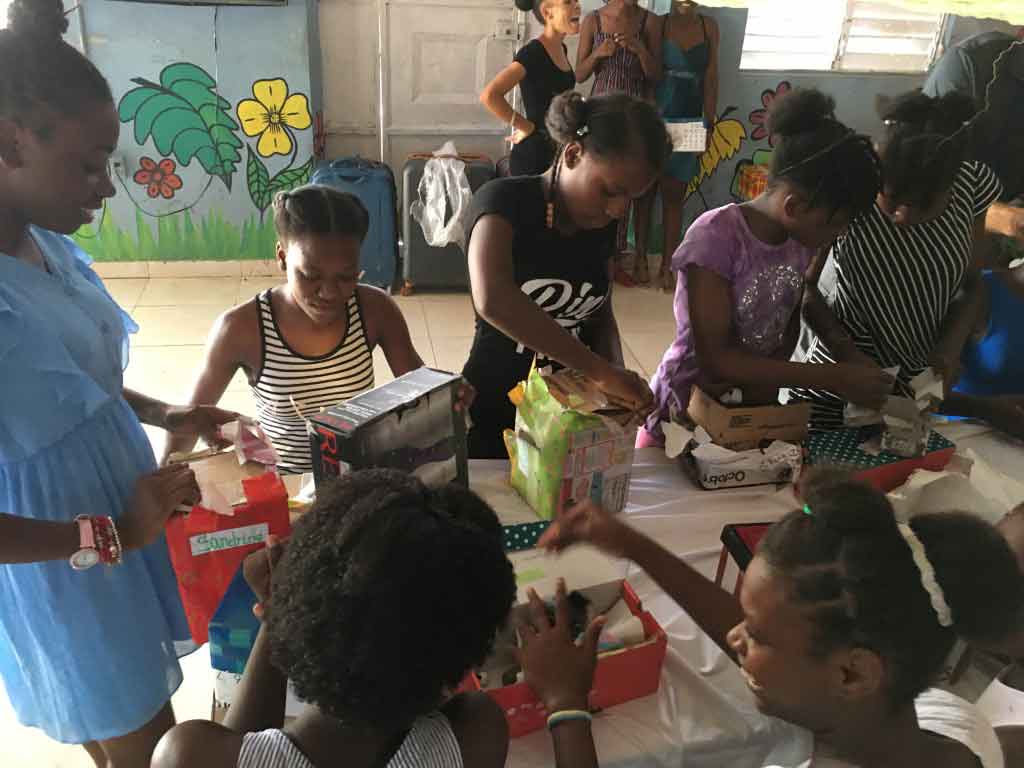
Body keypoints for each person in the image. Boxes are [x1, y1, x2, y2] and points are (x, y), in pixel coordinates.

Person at [0, 1, 243, 765]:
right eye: (86, 164)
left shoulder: (41, 244)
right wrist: (107, 535)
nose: (106, 188)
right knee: (141, 740)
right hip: (62, 563)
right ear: (7, 142)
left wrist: (167, 410)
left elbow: (68, 385)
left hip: (114, 531)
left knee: (139, 722)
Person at [538, 471, 1023, 768]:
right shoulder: (949, 722)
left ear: (853, 672)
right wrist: (633, 545)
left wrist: (566, 705)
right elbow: (797, 639)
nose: (734, 636)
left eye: (755, 635)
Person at [151, 469, 579, 768]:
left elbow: (239, 749)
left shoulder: (185, 755)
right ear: (458, 671)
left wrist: (279, 614)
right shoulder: (474, 734)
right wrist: (566, 703)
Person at [639, 89, 894, 448]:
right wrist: (834, 377)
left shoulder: (801, 240)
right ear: (793, 207)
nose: (838, 236)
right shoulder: (716, 239)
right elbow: (718, 360)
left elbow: (799, 293)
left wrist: (844, 351)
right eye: (834, 224)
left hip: (752, 406)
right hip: (687, 407)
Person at [164, 185, 466, 474]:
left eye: (347, 277)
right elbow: (190, 420)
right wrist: (166, 477)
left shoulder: (375, 310)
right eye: (310, 276)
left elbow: (418, 389)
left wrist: (450, 397)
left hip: (354, 475)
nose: (330, 293)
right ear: (282, 257)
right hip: (286, 484)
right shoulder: (241, 329)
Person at [462, 90, 668, 458]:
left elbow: (597, 310)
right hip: (498, 409)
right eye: (610, 191)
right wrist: (601, 372)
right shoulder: (502, 204)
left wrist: (615, 383)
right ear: (573, 154)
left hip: (571, 412)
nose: (619, 210)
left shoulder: (599, 222)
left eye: (631, 199)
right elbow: (494, 299)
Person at [792, 90, 1004, 430]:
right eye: (892, 200)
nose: (903, 216)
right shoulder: (853, 184)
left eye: (923, 204)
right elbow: (804, 291)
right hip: (835, 384)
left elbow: (972, 283)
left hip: (912, 392)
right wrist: (850, 357)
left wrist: (948, 352)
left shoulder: (972, 185)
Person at [576, 0, 661, 285]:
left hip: (635, 112)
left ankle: (618, 256)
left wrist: (639, 49)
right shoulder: (593, 21)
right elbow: (579, 73)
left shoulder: (649, 21)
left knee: (626, 182)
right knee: (598, 178)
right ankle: (595, 256)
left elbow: (656, 75)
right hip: (600, 111)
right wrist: (600, 53)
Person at [648, 0, 718, 290]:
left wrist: (709, 124)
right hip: (658, 119)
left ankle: (668, 264)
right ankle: (640, 257)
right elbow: (649, 76)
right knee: (646, 191)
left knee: (675, 194)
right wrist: (649, 122)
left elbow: (711, 79)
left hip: (690, 121)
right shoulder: (658, 24)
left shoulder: (709, 26)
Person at [480, 0, 579, 177]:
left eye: (577, 1)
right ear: (548, 12)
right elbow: (490, 96)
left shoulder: (561, 48)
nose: (577, 6)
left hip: (555, 154)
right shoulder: (532, 53)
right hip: (533, 158)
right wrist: (526, 127)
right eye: (568, 2)